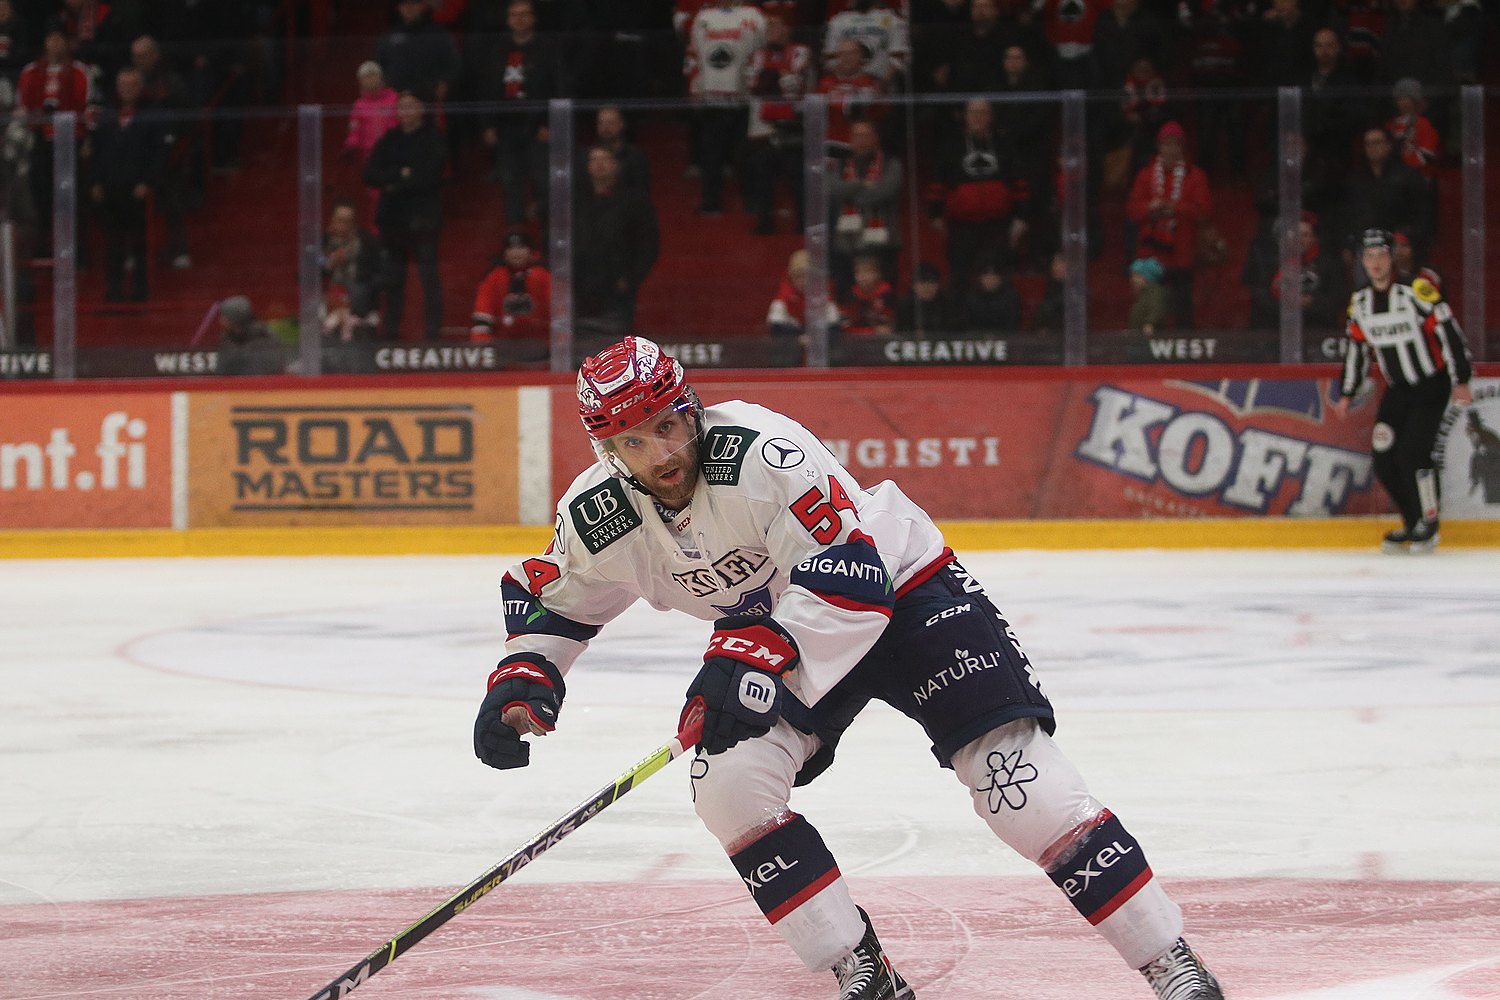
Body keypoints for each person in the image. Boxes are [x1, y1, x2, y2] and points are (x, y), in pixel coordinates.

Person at [475, 335, 1226, 1000]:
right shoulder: (599, 512)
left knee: (1013, 781)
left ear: (691, 408)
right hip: (782, 634)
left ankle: (1170, 963)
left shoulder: (764, 452)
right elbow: (558, 600)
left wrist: (754, 655)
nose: (663, 454)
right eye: (635, 443)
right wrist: (524, 676)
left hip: (902, 597)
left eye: (669, 427)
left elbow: (853, 579)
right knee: (728, 787)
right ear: (610, 452)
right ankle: (858, 966)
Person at [1331, 229, 1473, 553]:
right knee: (1383, 457)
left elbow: (1449, 331)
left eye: (1381, 255)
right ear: (1362, 262)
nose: (1376, 263)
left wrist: (1461, 379)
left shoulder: (1417, 291)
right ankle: (1412, 522)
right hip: (1398, 391)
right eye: (1369, 256)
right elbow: (1356, 348)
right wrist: (1348, 391)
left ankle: (1429, 522)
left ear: (1392, 257)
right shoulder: (1361, 303)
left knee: (1413, 454)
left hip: (1431, 386)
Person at [364, 91, 447, 341]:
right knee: (392, 279)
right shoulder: (390, 140)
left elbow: (430, 175)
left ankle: (434, 332)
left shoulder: (433, 139)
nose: (406, 111)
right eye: (402, 106)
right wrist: (403, 175)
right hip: (393, 220)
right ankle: (390, 332)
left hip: (423, 220)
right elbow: (369, 174)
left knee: (428, 276)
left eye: (412, 105)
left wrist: (395, 181)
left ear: (422, 108)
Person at [475, 0, 563, 227]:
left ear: (533, 18)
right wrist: (488, 124)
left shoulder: (548, 48)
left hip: (537, 127)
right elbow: (488, 88)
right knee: (511, 183)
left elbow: (560, 87)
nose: (520, 19)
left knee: (544, 182)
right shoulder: (497, 50)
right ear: (508, 19)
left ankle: (547, 235)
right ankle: (516, 238)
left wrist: (551, 123)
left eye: (525, 14)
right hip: (506, 127)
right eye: (514, 15)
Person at [88, 66, 166, 303]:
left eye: (132, 85)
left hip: (136, 189)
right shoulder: (107, 115)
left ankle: (140, 291)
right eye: (123, 85)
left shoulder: (151, 115)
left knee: (138, 243)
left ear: (140, 88)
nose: (127, 90)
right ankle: (114, 291)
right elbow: (97, 151)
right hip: (111, 187)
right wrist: (96, 181)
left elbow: (158, 153)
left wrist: (146, 181)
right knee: (112, 243)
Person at [1125, 121, 1211, 331]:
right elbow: (1133, 210)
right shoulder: (1146, 175)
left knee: (1183, 311)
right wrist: (1150, 207)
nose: (1171, 149)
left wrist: (1175, 207)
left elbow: (1203, 211)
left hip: (1182, 256)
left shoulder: (1195, 175)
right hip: (1151, 257)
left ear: (1182, 148)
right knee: (1152, 310)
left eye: (1175, 144)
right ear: (1159, 147)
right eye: (1166, 144)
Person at [683, 0, 764, 215]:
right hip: (712, 97)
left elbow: (760, 53)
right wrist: (694, 87)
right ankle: (711, 201)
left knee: (745, 153)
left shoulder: (753, 14)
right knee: (711, 154)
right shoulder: (703, 17)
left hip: (742, 98)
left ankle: (752, 200)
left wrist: (752, 85)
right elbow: (693, 53)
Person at [573, 143, 659, 339]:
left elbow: (648, 244)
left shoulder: (634, 201)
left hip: (617, 282)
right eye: (594, 159)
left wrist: (630, 278)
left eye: (605, 159)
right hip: (580, 281)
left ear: (616, 165)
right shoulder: (575, 201)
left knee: (615, 342)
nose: (599, 164)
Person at [744, 12, 811, 235]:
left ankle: (803, 224)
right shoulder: (757, 54)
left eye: (777, 26)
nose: (772, 30)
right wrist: (779, 77)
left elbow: (795, 84)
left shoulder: (800, 50)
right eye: (769, 27)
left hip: (792, 125)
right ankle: (765, 223)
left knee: (798, 179)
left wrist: (769, 78)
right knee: (762, 179)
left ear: (787, 30)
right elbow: (753, 85)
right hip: (763, 128)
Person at [828, 120, 901, 298]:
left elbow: (885, 191)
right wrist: (862, 184)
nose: (861, 140)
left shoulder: (891, 163)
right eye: (857, 135)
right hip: (847, 242)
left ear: (875, 138)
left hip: (882, 241)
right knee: (846, 294)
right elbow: (832, 189)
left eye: (866, 135)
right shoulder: (840, 164)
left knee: (884, 294)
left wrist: (851, 191)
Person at [469, 228, 551, 345]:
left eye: (521, 248)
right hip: (503, 347)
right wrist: (484, 350)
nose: (516, 253)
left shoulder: (544, 276)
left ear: (531, 252)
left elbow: (559, 317)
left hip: (542, 346)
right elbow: (482, 319)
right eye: (511, 248)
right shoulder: (494, 277)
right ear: (504, 253)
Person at [374, 0, 462, 104]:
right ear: (399, 8)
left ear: (421, 6)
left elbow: (453, 64)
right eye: (405, 4)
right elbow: (377, 66)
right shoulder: (389, 37)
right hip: (394, 102)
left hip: (428, 101)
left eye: (413, 4)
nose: (409, 8)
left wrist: (445, 83)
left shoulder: (437, 33)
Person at [321, 197, 384, 339]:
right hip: (330, 299)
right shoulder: (323, 242)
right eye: (339, 220)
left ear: (354, 223)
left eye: (347, 221)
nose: (343, 225)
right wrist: (329, 264)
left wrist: (363, 285)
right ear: (332, 220)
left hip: (359, 302)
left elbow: (381, 275)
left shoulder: (367, 242)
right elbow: (311, 271)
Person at [215, 294, 284, 376]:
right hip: (231, 387)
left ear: (236, 317)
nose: (221, 321)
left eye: (224, 317)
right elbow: (222, 370)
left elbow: (268, 370)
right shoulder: (226, 340)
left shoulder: (265, 339)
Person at [895, 261, 961, 338]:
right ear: (913, 285)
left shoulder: (948, 304)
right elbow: (900, 333)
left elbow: (956, 332)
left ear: (938, 285)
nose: (927, 287)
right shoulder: (904, 306)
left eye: (931, 282)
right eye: (922, 283)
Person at [840, 253, 896, 336]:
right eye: (858, 272)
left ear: (878, 274)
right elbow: (844, 329)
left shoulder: (888, 295)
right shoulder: (850, 296)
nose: (862, 276)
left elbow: (891, 327)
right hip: (856, 342)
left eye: (868, 271)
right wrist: (872, 331)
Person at [1127, 256, 1167, 334]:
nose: (1133, 279)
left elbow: (1156, 308)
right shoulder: (1144, 293)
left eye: (1136, 275)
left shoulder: (1155, 292)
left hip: (1149, 336)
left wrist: (1150, 323)